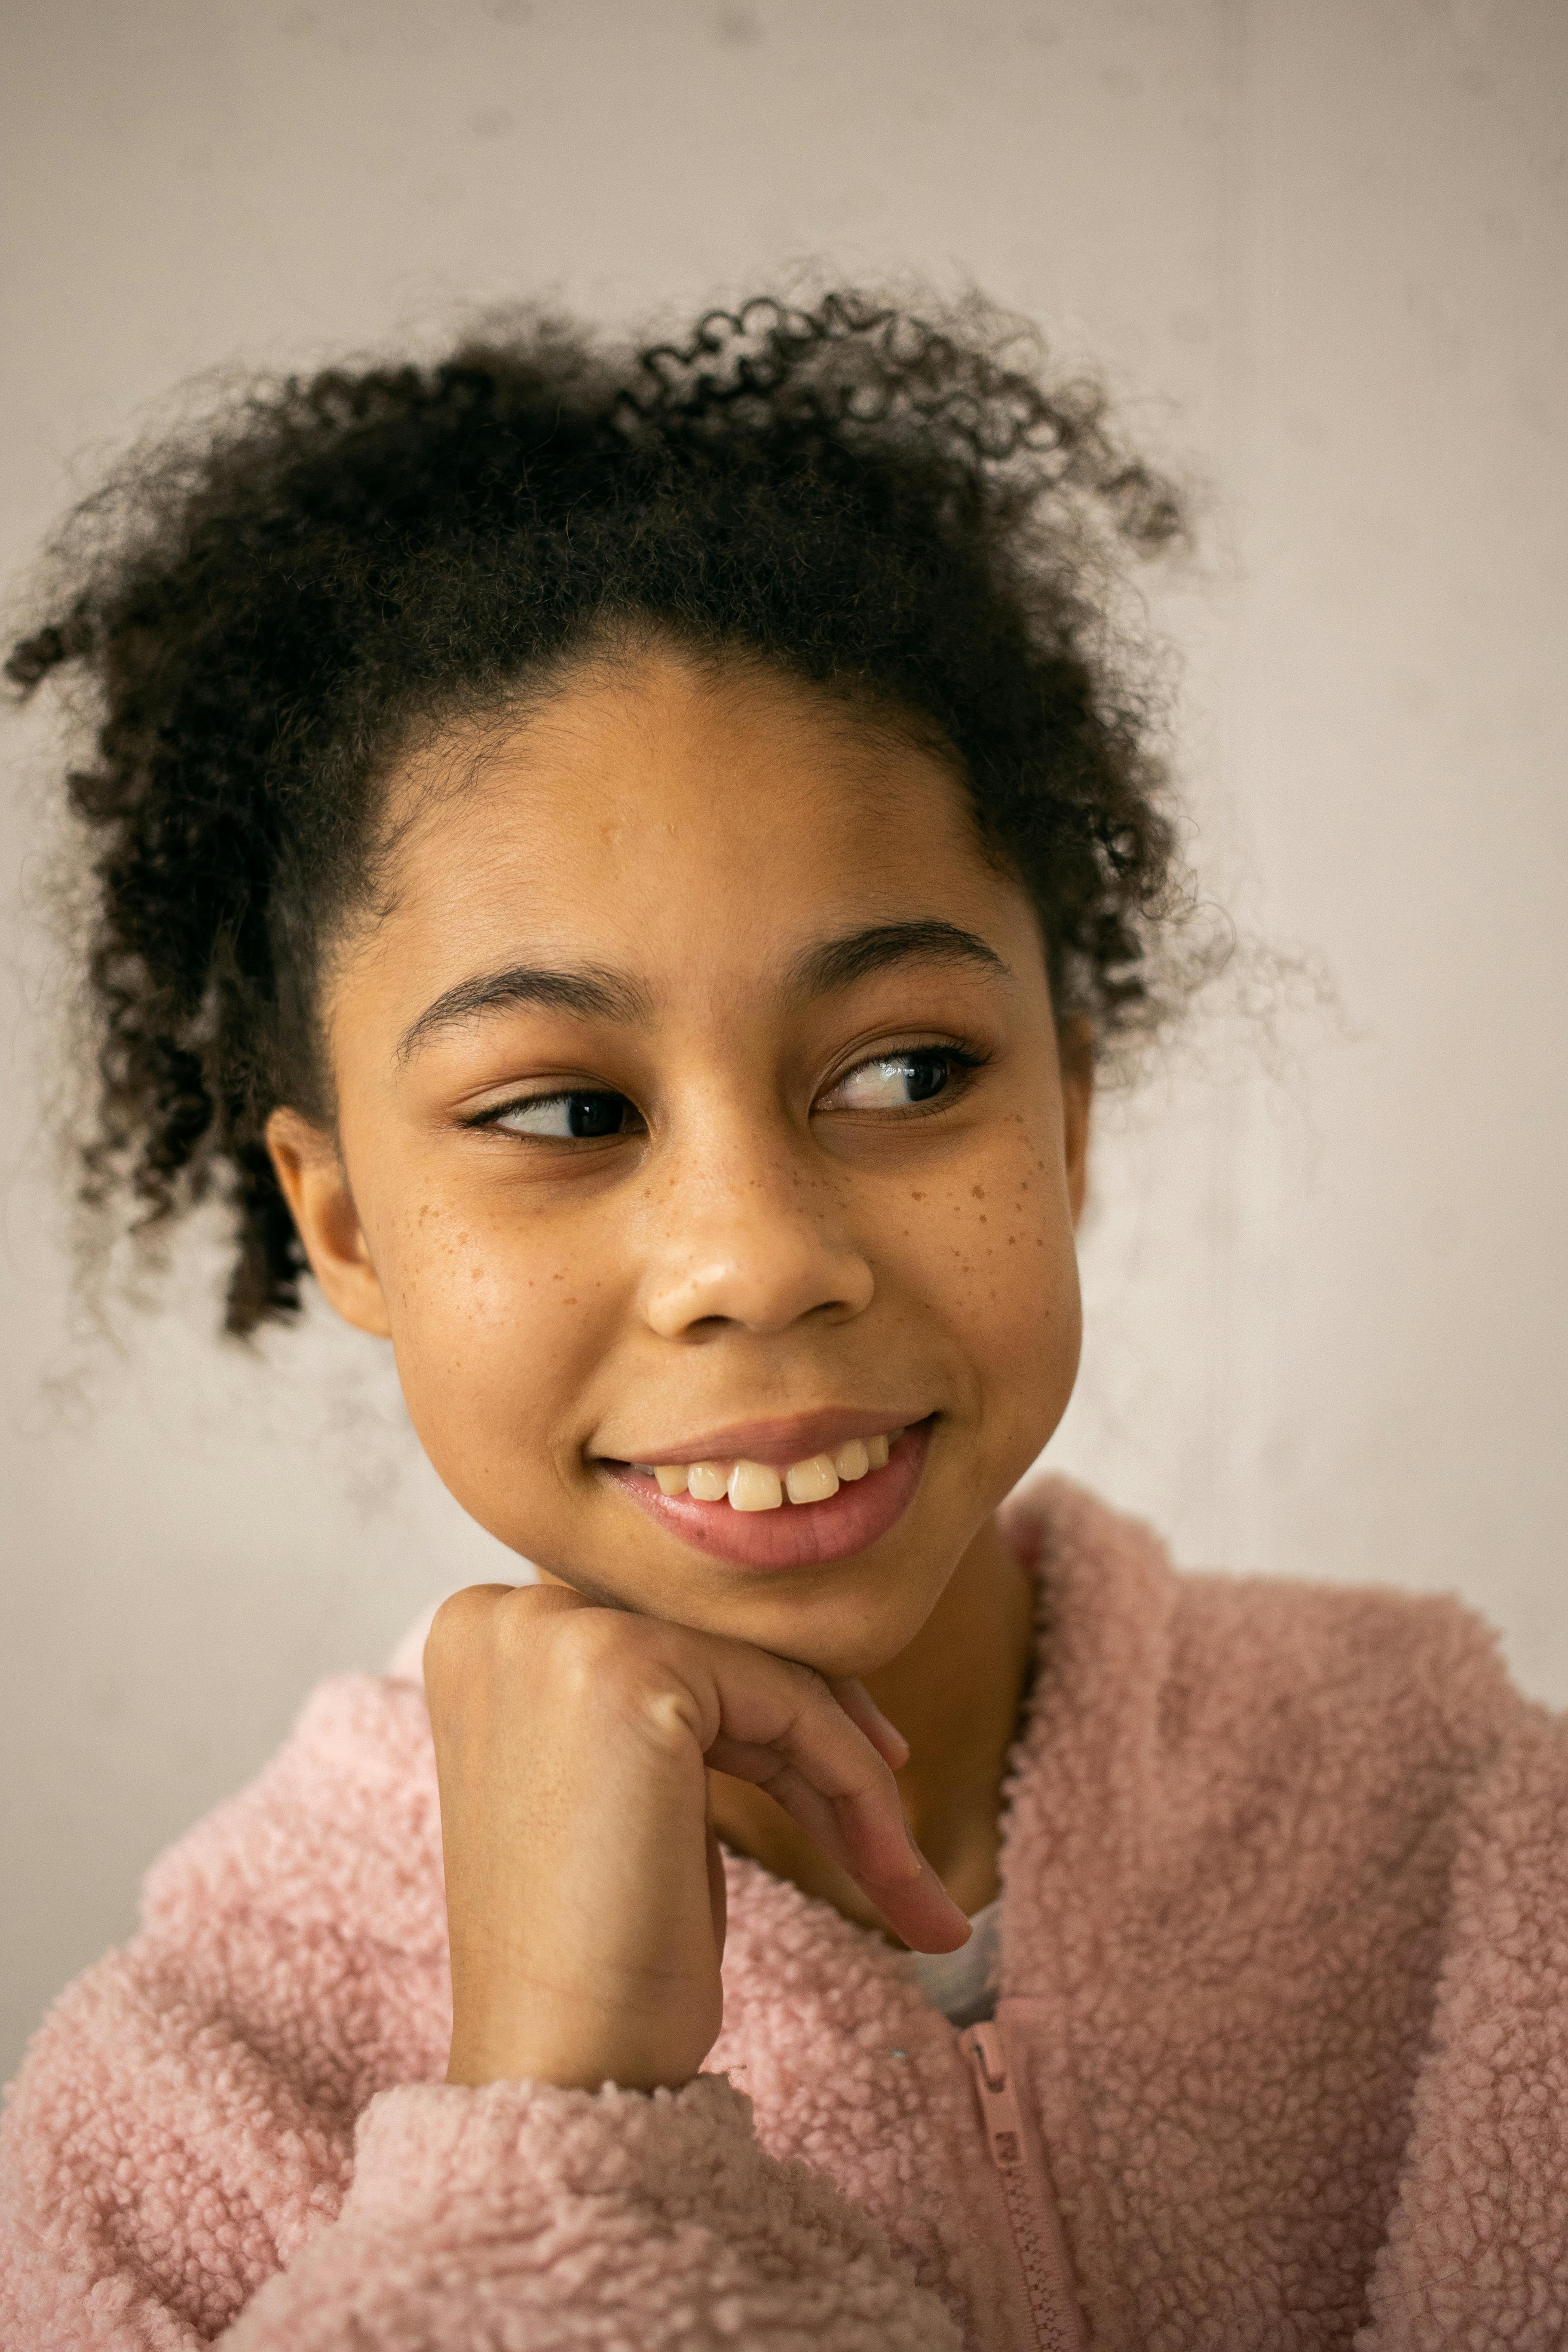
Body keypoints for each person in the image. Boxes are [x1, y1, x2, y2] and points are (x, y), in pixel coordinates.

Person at [0, 291, 1562, 2352]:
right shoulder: (174, 2123)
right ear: (350, 1224)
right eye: (566, 1112)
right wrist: (558, 2109)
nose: (757, 1254)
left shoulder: (1463, 1832)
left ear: (1068, 1115)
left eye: (907, 1073)